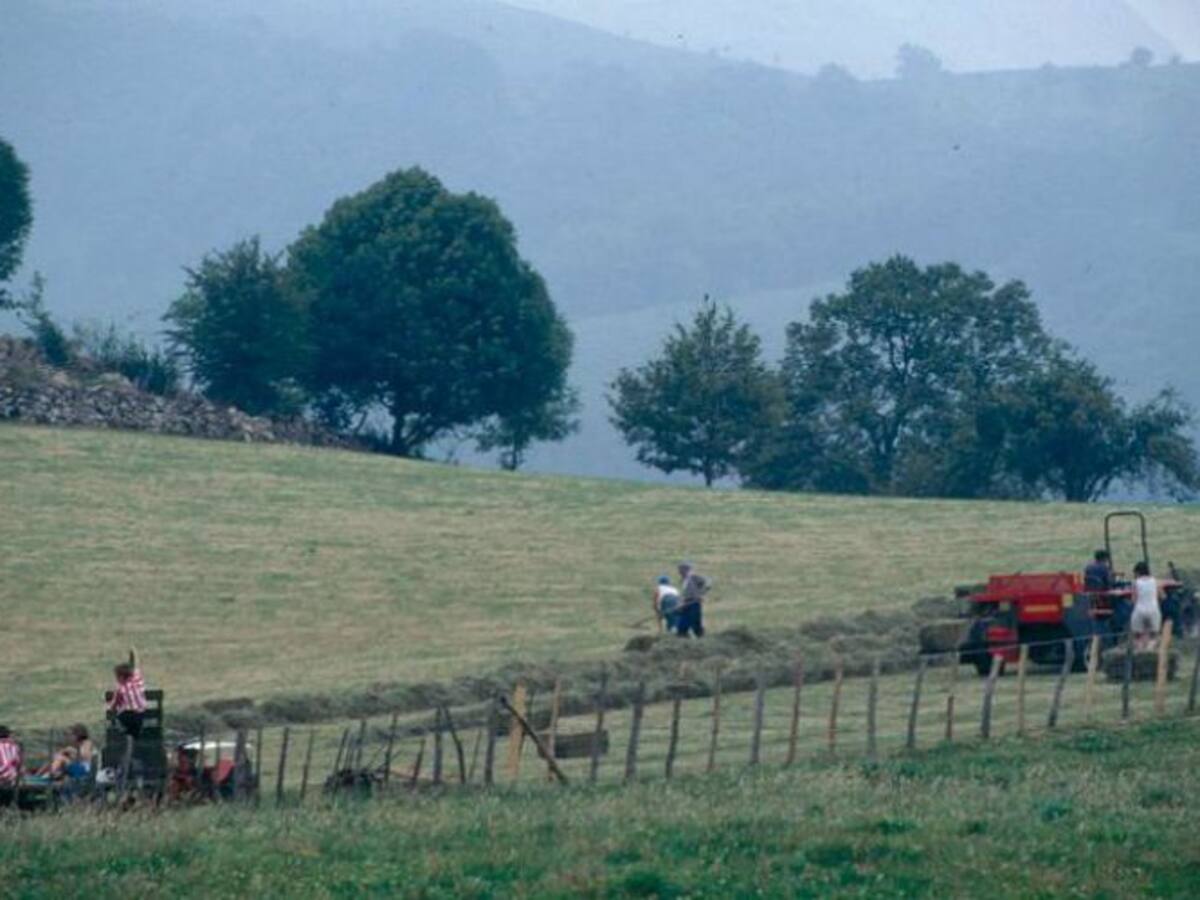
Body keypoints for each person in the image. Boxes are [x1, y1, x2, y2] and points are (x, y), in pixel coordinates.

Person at [108, 647, 147, 738]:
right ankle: (134, 736)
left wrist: (111, 706)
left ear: (121, 677)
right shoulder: (138, 680)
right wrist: (133, 656)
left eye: (117, 677)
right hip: (141, 715)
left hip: (129, 716)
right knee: (134, 726)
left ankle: (128, 735)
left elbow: (114, 705)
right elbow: (135, 667)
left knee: (121, 715)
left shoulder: (121, 689)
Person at [1130, 561, 1164, 651]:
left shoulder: (1135, 583)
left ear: (1138, 572)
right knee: (1154, 635)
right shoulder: (1156, 581)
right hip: (1153, 609)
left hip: (1139, 610)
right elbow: (1163, 596)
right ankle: (1150, 650)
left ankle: (1140, 650)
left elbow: (1133, 599)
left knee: (1138, 636)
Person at [676, 561, 711, 638]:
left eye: (681, 570)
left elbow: (707, 583)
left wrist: (700, 594)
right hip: (685, 604)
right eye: (679, 570)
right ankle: (682, 639)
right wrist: (680, 603)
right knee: (681, 625)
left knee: (695, 624)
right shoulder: (683, 581)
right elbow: (683, 594)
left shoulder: (693, 577)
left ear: (686, 570)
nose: (679, 572)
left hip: (694, 603)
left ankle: (701, 639)